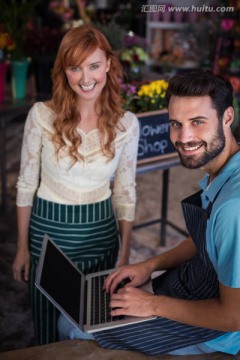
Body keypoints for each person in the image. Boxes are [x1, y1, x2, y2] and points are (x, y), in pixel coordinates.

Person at [58, 70, 240, 356]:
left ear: (227, 117)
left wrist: (151, 304)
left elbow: (234, 317)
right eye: (176, 124)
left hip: (217, 331)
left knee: (71, 324)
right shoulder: (227, 170)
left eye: (197, 122)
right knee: (100, 303)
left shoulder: (233, 208)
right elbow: (207, 240)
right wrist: (149, 265)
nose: (184, 137)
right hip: (192, 285)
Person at [12, 24, 139, 345]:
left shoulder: (127, 124)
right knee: (46, 326)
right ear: (63, 70)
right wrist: (22, 247)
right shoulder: (41, 115)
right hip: (48, 234)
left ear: (109, 64)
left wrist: (124, 254)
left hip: (101, 234)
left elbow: (125, 192)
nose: (86, 78)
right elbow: (26, 184)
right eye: (75, 67)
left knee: (95, 329)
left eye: (94, 66)